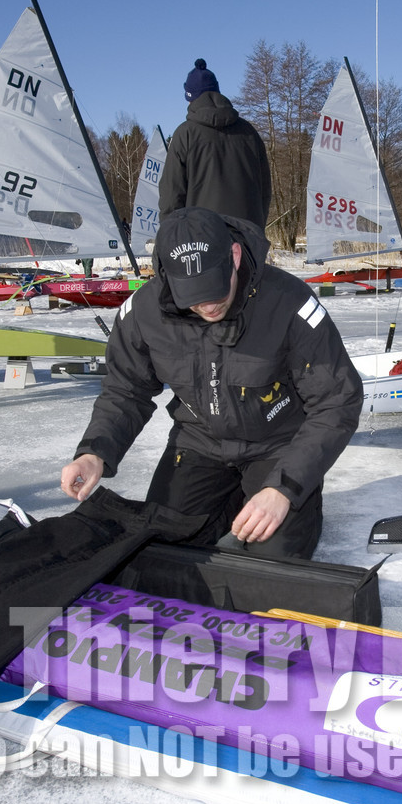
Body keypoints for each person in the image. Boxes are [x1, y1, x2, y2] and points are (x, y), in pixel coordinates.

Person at [60, 207, 362, 559]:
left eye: (214, 290)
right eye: (193, 296)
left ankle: (270, 495)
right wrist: (95, 451)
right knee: (158, 547)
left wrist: (284, 489)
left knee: (273, 562)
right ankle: (231, 499)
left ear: (233, 256)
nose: (206, 305)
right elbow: (126, 389)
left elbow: (337, 402)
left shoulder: (290, 303)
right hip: (199, 441)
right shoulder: (143, 311)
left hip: (278, 446)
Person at [159, 59, 272, 227]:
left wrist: (171, 238)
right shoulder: (249, 133)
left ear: (190, 98)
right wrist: (256, 232)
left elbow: (172, 195)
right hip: (247, 240)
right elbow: (264, 191)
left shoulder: (185, 134)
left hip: (201, 241)